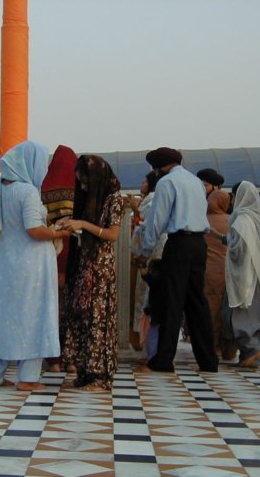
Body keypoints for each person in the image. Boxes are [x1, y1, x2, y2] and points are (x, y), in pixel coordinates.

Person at [0, 141, 68, 390]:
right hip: (32, 266)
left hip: (8, 261)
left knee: (5, 316)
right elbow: (34, 230)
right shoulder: (27, 191)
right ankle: (28, 378)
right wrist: (59, 233)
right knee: (34, 316)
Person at [134, 147, 218, 373]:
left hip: (179, 243)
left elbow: (157, 220)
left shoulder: (166, 182)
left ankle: (163, 359)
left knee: (172, 301)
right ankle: (208, 360)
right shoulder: (196, 182)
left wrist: (145, 252)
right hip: (199, 244)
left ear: (158, 167)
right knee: (197, 302)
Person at [60, 154, 124, 390]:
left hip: (99, 269)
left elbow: (112, 234)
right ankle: (85, 371)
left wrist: (83, 224)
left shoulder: (114, 199)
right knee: (81, 316)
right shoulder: (91, 198)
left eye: (86, 182)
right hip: (84, 264)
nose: (84, 187)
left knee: (98, 318)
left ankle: (100, 376)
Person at [223, 181, 260, 368]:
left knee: (241, 314)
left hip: (245, 276)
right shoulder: (256, 218)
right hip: (258, 275)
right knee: (253, 314)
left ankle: (251, 350)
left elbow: (238, 249)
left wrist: (226, 240)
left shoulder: (242, 220)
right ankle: (250, 354)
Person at [40, 144, 77, 373]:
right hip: (74, 251)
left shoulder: (43, 186)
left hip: (50, 250)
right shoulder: (80, 186)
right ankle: (71, 359)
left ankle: (53, 360)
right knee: (72, 306)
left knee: (50, 305)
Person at [129, 171, 164, 355]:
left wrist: (136, 210)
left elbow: (145, 227)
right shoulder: (154, 200)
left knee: (147, 300)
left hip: (149, 258)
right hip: (154, 255)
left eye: (144, 181)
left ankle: (146, 343)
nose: (142, 184)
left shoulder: (151, 201)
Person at [203, 189, 236, 360]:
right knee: (226, 310)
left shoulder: (202, 220)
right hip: (227, 271)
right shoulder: (231, 221)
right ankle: (227, 348)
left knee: (208, 308)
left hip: (206, 271)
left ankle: (209, 344)